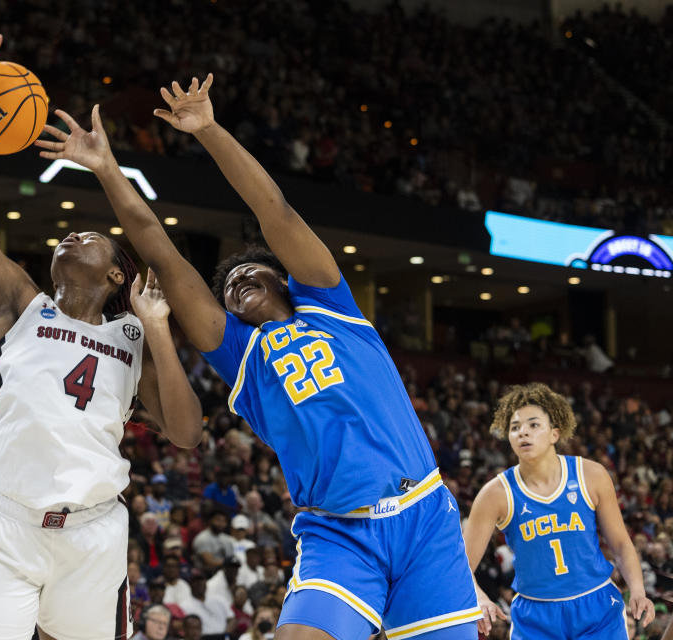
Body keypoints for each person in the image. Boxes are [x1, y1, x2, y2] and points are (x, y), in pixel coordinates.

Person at [38, 75, 481, 639]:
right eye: (227, 289)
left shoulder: (330, 304)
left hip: (424, 519)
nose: (238, 280)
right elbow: (160, 250)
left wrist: (209, 130)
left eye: (252, 271)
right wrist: (106, 169)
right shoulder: (239, 352)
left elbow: (275, 210)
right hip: (339, 534)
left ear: (284, 279)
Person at [0, 31, 202, 640]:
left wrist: (158, 330)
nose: (71, 236)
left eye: (90, 236)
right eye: (67, 235)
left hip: (93, 532)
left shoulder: (135, 335)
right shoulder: (17, 303)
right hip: (6, 522)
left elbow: (186, 434)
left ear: (115, 273)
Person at [463, 382, 655, 639]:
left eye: (533, 425)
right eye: (515, 427)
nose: (523, 433)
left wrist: (638, 590)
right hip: (535, 615)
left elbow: (620, 543)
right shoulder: (494, 494)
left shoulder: (591, 475)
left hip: (596, 607)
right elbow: (461, 563)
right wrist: (479, 597)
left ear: (555, 433)